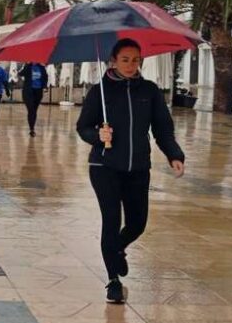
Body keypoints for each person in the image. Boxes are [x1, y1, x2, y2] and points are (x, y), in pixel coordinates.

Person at [76, 38, 185, 305]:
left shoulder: (149, 91)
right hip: (104, 167)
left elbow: (162, 128)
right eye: (125, 59)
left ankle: (117, 249)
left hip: (137, 167)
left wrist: (174, 154)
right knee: (111, 221)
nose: (130, 64)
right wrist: (98, 135)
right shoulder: (100, 91)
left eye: (135, 59)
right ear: (113, 61)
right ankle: (113, 281)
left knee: (137, 223)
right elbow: (83, 127)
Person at [19, 62, 49, 137]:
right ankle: (32, 129)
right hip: (28, 92)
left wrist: (45, 86)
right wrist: (27, 65)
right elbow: (21, 74)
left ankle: (32, 128)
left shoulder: (41, 68)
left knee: (34, 110)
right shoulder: (28, 66)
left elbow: (45, 77)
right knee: (31, 109)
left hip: (38, 92)